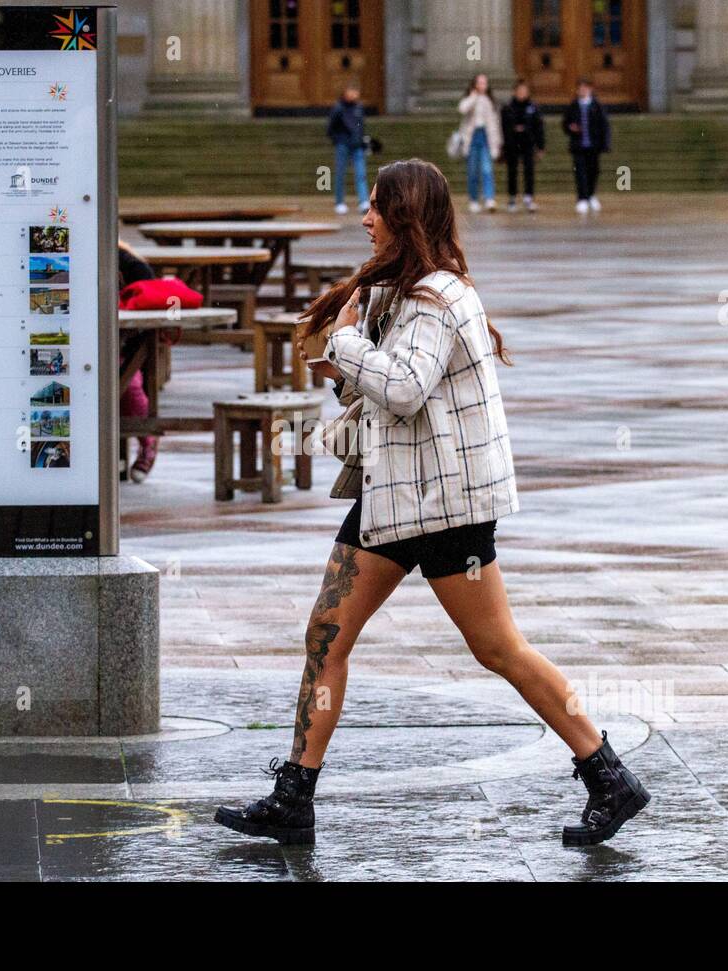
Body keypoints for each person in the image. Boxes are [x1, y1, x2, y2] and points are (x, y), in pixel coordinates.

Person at [215, 158, 651, 848]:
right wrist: (343, 370)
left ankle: (608, 773)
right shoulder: (399, 294)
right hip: (393, 498)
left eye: (376, 207)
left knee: (498, 648)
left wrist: (348, 343)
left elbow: (407, 386)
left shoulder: (438, 299)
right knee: (326, 633)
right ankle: (293, 797)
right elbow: (384, 396)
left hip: (447, 505)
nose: (364, 218)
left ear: (405, 217)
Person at [118, 240, 157, 482]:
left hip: (126, 344)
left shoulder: (130, 265)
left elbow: (151, 296)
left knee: (129, 386)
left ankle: (147, 441)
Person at [561, 77, 610, 215]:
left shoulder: (597, 106)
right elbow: (565, 124)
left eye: (585, 87)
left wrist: (605, 143)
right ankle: (582, 198)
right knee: (580, 172)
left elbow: (604, 126)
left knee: (593, 171)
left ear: (590, 89)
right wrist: (571, 128)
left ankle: (591, 195)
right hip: (578, 145)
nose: (582, 90)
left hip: (593, 146)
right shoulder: (573, 106)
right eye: (580, 88)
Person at [456, 74, 502, 213]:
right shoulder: (470, 98)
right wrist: (473, 97)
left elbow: (495, 124)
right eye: (480, 83)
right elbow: (462, 109)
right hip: (472, 138)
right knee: (473, 171)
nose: (483, 85)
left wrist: (498, 142)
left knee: (487, 169)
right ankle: (474, 199)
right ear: (475, 84)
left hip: (486, 137)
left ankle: (489, 198)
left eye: (485, 83)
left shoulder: (490, 101)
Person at [500, 78, 546, 213]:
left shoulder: (533, 107)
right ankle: (512, 198)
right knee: (512, 171)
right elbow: (503, 127)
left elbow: (539, 128)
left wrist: (541, 146)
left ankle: (528, 198)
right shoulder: (508, 107)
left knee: (529, 170)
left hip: (528, 143)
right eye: (519, 91)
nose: (521, 93)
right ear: (514, 92)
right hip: (512, 143)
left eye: (524, 91)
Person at [326, 83, 370, 216]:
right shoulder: (338, 108)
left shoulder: (359, 107)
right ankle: (339, 202)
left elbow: (361, 126)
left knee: (361, 174)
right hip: (343, 145)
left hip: (357, 145)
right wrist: (338, 139)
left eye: (356, 91)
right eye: (352, 91)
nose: (354, 94)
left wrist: (362, 141)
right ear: (345, 92)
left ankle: (363, 201)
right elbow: (330, 128)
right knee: (340, 173)